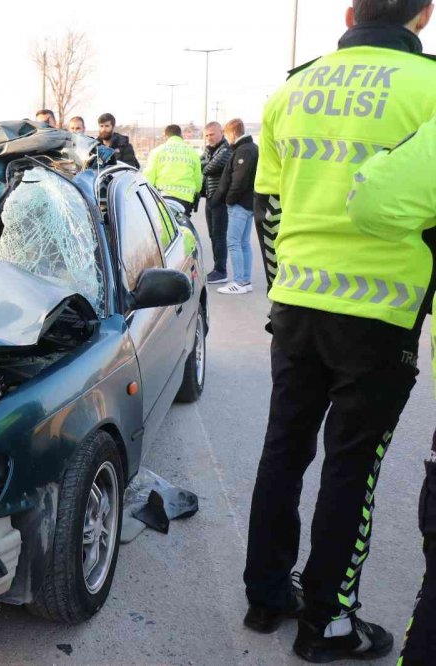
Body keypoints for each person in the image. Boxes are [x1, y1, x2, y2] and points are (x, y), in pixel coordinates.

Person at [244, 1, 436, 662]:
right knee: (352, 467)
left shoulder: (292, 87)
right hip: (382, 313)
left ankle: (266, 595)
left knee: (283, 447)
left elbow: (267, 205)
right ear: (426, 16)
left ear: (351, 12)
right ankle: (326, 623)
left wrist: (280, 292)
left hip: (297, 303)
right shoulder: (431, 87)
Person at [346, 114, 436, 666]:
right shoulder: (420, 82)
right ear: (420, 18)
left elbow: (373, 201)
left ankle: (313, 615)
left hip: (318, 307)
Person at [213, 119, 259, 295]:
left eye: (226, 134)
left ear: (232, 133)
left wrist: (229, 200)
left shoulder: (244, 151)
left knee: (233, 242)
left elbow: (239, 181)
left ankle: (239, 281)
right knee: (244, 243)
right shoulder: (252, 148)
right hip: (249, 203)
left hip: (240, 204)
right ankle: (245, 281)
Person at [143, 124, 202, 214]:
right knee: (182, 226)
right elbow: (198, 179)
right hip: (185, 199)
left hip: (163, 198)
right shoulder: (192, 152)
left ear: (165, 136)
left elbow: (149, 176)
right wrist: (196, 192)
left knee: (164, 226)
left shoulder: (157, 151)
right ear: (180, 135)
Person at [200, 122, 232, 283]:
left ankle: (221, 270)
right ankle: (216, 268)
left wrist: (204, 164)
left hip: (220, 199)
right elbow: (200, 164)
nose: (209, 138)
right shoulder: (209, 151)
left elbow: (207, 169)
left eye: (212, 134)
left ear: (222, 132)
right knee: (213, 235)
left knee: (219, 236)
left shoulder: (226, 150)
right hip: (210, 198)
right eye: (206, 135)